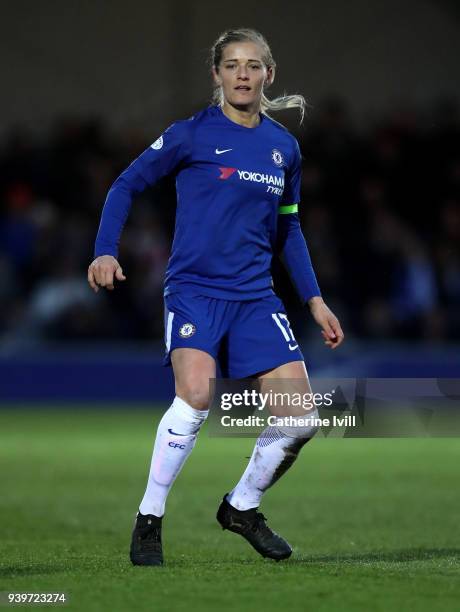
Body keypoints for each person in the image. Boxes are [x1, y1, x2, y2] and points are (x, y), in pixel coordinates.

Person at [88, 28, 344, 566]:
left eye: (253, 65)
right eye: (232, 65)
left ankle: (242, 507)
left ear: (268, 75)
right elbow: (124, 185)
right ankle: (150, 519)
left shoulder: (283, 148)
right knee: (198, 394)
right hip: (196, 292)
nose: (243, 75)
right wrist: (105, 251)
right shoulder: (191, 135)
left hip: (256, 298)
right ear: (217, 75)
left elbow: (289, 229)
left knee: (301, 420)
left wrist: (314, 300)